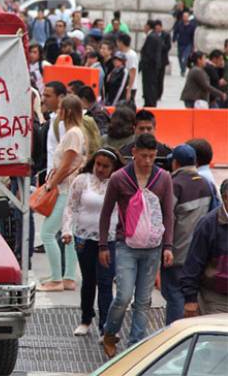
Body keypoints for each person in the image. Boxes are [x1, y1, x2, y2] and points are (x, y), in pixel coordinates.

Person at [99, 133, 174, 356]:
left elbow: (168, 214)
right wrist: (103, 245)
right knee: (123, 295)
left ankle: (135, 346)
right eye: (143, 156)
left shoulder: (163, 179)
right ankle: (110, 332)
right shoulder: (119, 179)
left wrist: (168, 246)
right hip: (126, 245)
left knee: (143, 300)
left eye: (152, 156)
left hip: (153, 247)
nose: (148, 161)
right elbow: (105, 214)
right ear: (133, 153)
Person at [62, 147, 123, 337]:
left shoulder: (119, 183)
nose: (101, 169)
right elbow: (70, 207)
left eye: (106, 166)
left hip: (110, 239)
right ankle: (86, 318)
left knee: (105, 282)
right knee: (89, 281)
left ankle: (106, 326)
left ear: (114, 167)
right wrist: (66, 229)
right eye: (98, 164)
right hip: (83, 238)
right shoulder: (82, 180)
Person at [38, 95, 86, 292]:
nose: (57, 112)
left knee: (47, 232)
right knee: (69, 234)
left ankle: (57, 279)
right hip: (70, 188)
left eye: (60, 108)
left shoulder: (73, 134)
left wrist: (51, 184)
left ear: (66, 111)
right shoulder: (75, 132)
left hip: (66, 188)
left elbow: (67, 164)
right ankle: (67, 277)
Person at [162, 144, 214, 325]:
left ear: (175, 163)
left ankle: (173, 338)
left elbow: (166, 219)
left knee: (174, 295)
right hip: (200, 254)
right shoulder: (207, 184)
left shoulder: (174, 185)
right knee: (192, 297)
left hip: (176, 253)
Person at [181, 179, 228, 317]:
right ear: (226, 198)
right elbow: (193, 263)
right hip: (216, 298)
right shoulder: (208, 224)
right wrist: (190, 299)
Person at [140, 20, 163, 107]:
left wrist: (143, 64)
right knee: (151, 85)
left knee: (149, 85)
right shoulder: (155, 36)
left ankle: (149, 102)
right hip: (153, 66)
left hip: (149, 66)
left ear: (148, 26)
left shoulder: (151, 37)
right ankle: (150, 101)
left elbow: (149, 53)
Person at [116, 33, 138, 106]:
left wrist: (129, 90)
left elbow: (132, 73)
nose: (117, 44)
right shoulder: (119, 53)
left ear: (121, 42)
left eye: (118, 42)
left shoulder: (132, 55)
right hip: (121, 84)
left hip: (129, 86)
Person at [173, 10, 196, 77]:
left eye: (186, 16)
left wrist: (193, 45)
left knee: (185, 58)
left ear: (188, 17)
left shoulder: (192, 26)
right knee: (180, 57)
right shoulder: (179, 24)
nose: (185, 17)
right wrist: (174, 39)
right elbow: (176, 31)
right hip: (180, 43)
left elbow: (193, 36)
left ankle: (183, 70)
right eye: (184, 16)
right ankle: (182, 69)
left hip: (188, 44)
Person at [154, 20, 171, 101]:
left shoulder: (166, 35)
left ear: (161, 27)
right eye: (156, 28)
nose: (157, 30)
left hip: (162, 60)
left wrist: (161, 44)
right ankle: (154, 93)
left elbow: (168, 46)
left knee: (160, 78)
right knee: (154, 78)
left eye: (158, 28)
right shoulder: (153, 35)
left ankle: (159, 94)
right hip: (154, 60)